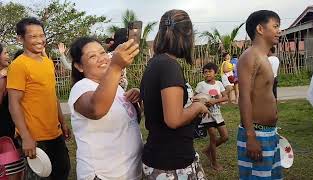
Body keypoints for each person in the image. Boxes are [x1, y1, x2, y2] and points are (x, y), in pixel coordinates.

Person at [140, 9, 208, 179]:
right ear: (188, 35)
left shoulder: (155, 62)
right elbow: (174, 119)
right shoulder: (169, 65)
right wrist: (198, 106)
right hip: (171, 163)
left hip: (162, 156)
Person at [68, 37, 142, 180]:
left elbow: (128, 123)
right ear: (79, 66)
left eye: (102, 53)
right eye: (92, 56)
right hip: (104, 175)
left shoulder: (116, 87)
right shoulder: (81, 87)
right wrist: (115, 67)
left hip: (129, 172)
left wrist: (137, 99)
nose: (101, 58)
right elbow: (97, 110)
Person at [7, 17, 70, 179]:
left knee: (62, 171)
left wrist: (62, 123)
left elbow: (52, 95)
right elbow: (14, 103)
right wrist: (26, 137)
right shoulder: (19, 65)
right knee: (41, 176)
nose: (40, 40)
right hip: (34, 137)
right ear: (20, 38)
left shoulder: (48, 62)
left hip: (55, 132)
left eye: (41, 35)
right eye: (33, 36)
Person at [237, 10, 282, 179]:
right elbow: (244, 96)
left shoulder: (265, 57)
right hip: (256, 133)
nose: (279, 31)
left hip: (269, 132)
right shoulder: (250, 56)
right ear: (260, 29)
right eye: (275, 26)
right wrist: (251, 136)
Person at [194, 62, 229, 171]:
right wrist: (202, 101)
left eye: (210, 71)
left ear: (215, 72)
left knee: (225, 137)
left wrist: (215, 101)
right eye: (205, 72)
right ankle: (214, 163)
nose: (207, 74)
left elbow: (225, 97)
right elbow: (194, 98)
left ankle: (207, 150)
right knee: (213, 137)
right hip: (206, 116)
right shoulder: (201, 85)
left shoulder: (218, 83)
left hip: (217, 114)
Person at [0, 44, 25, 180]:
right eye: (5, 53)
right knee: (12, 172)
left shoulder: (7, 74)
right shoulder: (3, 78)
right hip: (6, 134)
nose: (8, 56)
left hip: (9, 130)